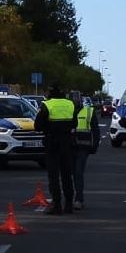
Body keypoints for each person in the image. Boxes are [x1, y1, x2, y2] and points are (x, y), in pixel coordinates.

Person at [33, 84, 78, 215]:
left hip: (52, 142)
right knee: (67, 175)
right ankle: (69, 205)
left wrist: (49, 128)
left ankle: (57, 205)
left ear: (51, 93)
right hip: (67, 142)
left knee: (53, 176)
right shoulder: (70, 104)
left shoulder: (47, 104)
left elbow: (38, 125)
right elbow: (74, 123)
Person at [70, 90, 100, 210]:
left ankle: (79, 199)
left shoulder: (89, 111)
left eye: (77, 99)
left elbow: (96, 131)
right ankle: (69, 198)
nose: (76, 101)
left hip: (83, 147)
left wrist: (94, 146)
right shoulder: (66, 112)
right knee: (70, 173)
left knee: (78, 173)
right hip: (69, 146)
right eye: (74, 100)